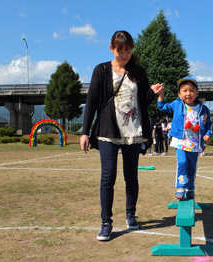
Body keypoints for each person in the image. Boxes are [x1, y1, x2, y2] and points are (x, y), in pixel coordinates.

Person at [80, 30, 161, 241]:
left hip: (132, 133)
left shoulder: (138, 71)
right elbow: (92, 102)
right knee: (108, 177)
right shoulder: (101, 70)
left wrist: (154, 92)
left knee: (131, 176)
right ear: (111, 49)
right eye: (120, 51)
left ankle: (131, 215)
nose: (124, 55)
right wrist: (84, 132)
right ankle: (106, 222)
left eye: (128, 51)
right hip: (107, 131)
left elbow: (143, 101)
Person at [152, 76, 212, 199]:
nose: (188, 93)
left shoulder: (203, 109)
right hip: (180, 140)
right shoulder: (177, 104)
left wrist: (208, 134)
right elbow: (162, 107)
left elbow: (209, 125)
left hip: (195, 143)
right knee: (182, 162)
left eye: (191, 90)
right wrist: (161, 94)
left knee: (192, 167)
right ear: (179, 94)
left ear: (197, 93)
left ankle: (190, 187)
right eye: (184, 91)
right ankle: (180, 187)